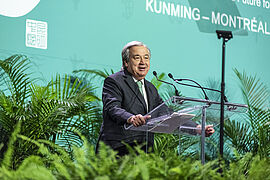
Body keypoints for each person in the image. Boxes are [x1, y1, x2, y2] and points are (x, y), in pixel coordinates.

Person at [96, 41, 214, 156]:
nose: (143, 62)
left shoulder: (150, 88)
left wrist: (197, 128)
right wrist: (131, 118)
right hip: (116, 151)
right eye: (137, 58)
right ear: (126, 62)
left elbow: (167, 114)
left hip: (143, 152)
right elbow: (112, 108)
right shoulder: (114, 81)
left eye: (146, 58)